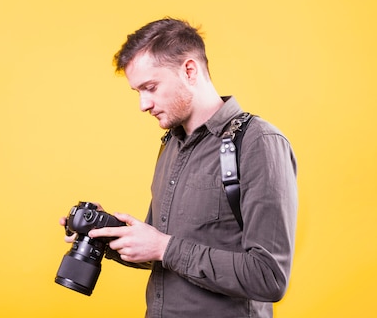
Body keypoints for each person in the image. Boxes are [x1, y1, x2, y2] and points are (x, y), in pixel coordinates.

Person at [60, 17, 298, 317]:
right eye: (138, 92)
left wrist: (164, 247)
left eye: (151, 87)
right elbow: (160, 249)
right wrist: (103, 235)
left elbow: (269, 277)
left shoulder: (258, 143)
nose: (143, 104)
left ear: (189, 70)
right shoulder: (171, 143)